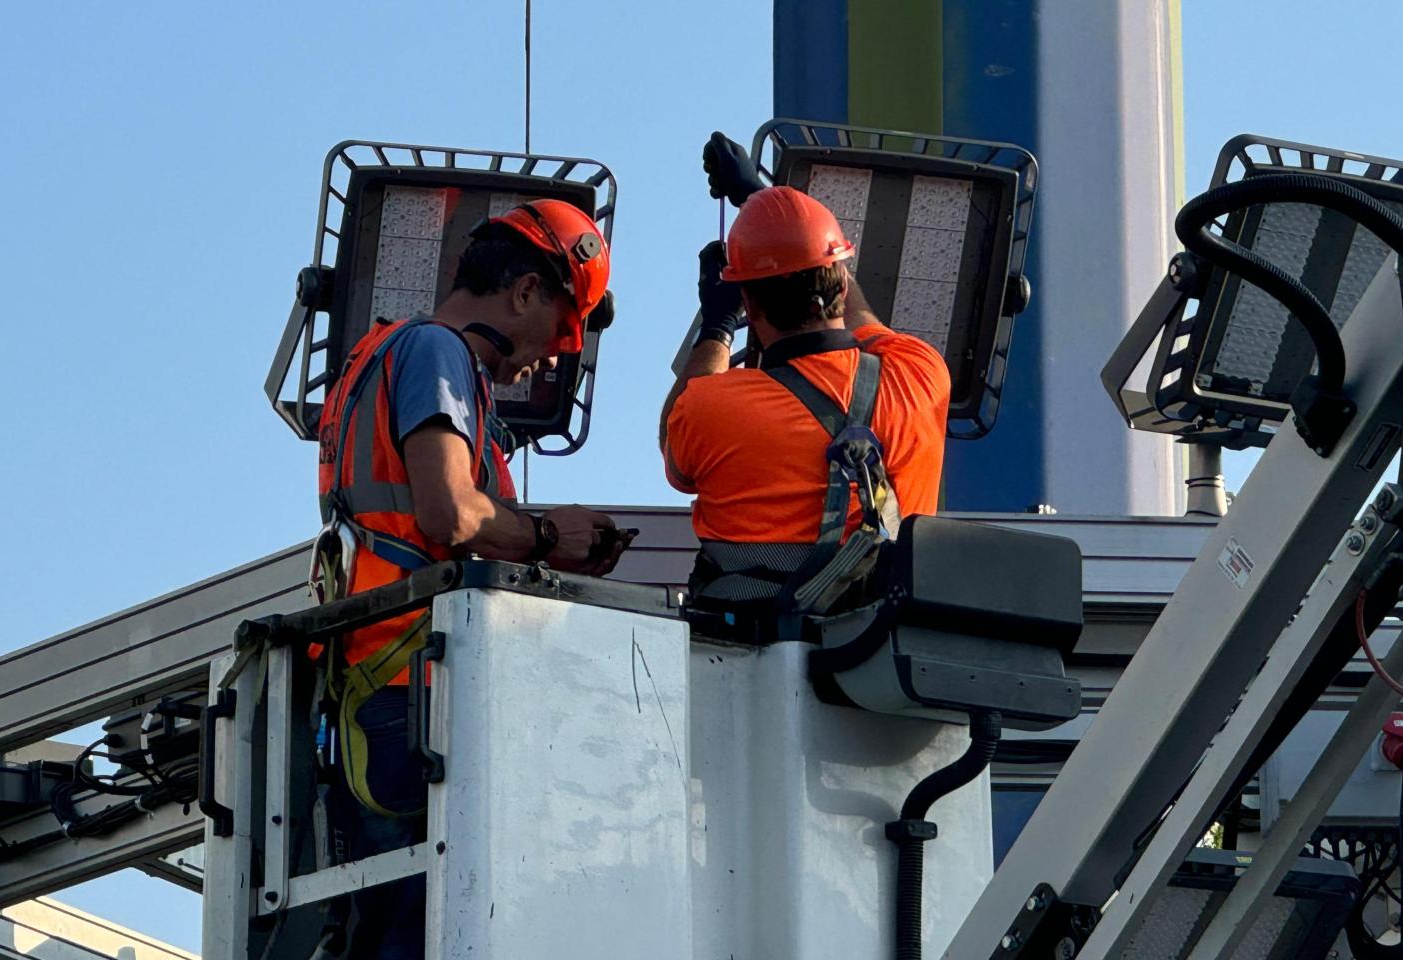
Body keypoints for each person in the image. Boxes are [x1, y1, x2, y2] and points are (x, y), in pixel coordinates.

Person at [313, 197, 627, 957]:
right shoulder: (435, 353)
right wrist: (552, 538)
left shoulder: (391, 356)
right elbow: (450, 515)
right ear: (523, 291)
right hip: (409, 688)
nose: (555, 356)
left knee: (401, 928)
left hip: (382, 686)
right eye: (560, 328)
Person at [660, 134, 950, 615]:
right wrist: (763, 202)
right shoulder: (920, 374)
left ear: (749, 304)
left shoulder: (713, 407)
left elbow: (675, 457)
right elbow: (862, 322)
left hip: (756, 665)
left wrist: (717, 327)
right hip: (879, 663)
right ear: (840, 276)